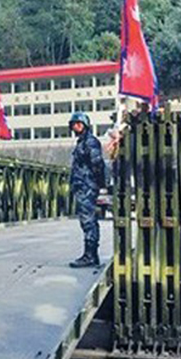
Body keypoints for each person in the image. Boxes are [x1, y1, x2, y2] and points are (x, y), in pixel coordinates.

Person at [68, 112, 106, 268]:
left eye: (78, 124)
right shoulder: (82, 142)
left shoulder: (90, 142)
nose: (75, 126)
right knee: (87, 220)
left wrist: (98, 184)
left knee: (88, 221)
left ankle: (90, 255)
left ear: (85, 125)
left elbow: (97, 164)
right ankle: (91, 255)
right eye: (73, 124)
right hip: (83, 186)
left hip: (87, 186)